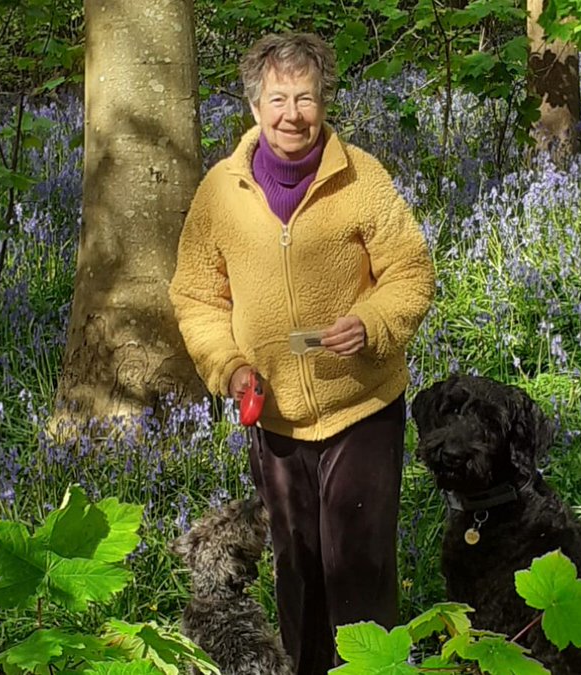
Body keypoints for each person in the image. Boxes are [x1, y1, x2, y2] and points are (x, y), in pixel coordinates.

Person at [168, 32, 435, 675]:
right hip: (277, 415)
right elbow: (197, 297)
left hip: (361, 405)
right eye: (278, 98)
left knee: (361, 568)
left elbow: (412, 272)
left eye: (306, 97)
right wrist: (229, 366)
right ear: (255, 107)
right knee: (297, 567)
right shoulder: (219, 193)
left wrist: (371, 322)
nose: (293, 113)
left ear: (324, 103)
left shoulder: (360, 177)